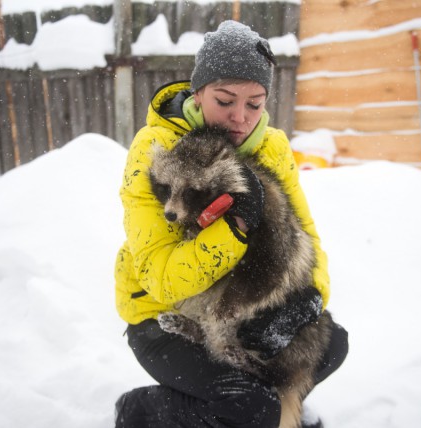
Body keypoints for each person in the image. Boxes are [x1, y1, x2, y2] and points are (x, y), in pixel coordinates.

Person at [114, 20, 348, 428]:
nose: (240, 118)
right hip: (161, 314)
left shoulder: (272, 147)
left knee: (332, 344)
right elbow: (164, 280)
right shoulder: (158, 150)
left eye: (254, 104)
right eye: (224, 100)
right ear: (199, 92)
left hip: (244, 301)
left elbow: (306, 237)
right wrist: (237, 226)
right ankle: (145, 409)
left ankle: (260, 410)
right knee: (250, 405)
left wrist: (306, 302)